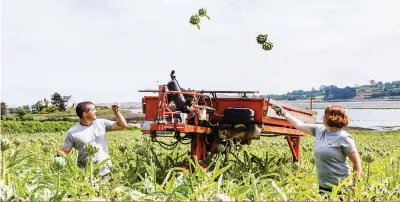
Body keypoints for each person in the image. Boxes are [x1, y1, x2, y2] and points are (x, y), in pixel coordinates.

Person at [271, 104, 361, 194]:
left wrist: (355, 186)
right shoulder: (320, 130)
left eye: (324, 116)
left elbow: (356, 163)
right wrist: (284, 113)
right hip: (323, 185)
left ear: (331, 118)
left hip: (341, 186)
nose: (322, 118)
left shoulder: (344, 137)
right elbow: (299, 125)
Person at [56, 101, 127, 177]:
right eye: (93, 110)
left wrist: (116, 112)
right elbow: (65, 151)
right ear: (85, 114)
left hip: (105, 170)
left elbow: (122, 125)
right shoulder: (72, 132)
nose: (96, 111)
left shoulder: (101, 123)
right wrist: (56, 160)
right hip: (85, 173)